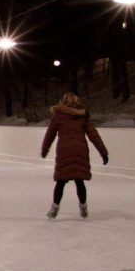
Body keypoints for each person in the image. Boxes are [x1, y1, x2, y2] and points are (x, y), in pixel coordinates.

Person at [41, 92, 108, 220]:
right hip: (80, 151)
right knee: (79, 181)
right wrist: (103, 153)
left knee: (60, 181)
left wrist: (45, 150)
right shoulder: (83, 117)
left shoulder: (58, 116)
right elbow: (94, 136)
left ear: (63, 103)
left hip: (64, 151)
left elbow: (49, 135)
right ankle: (83, 208)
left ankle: (54, 208)